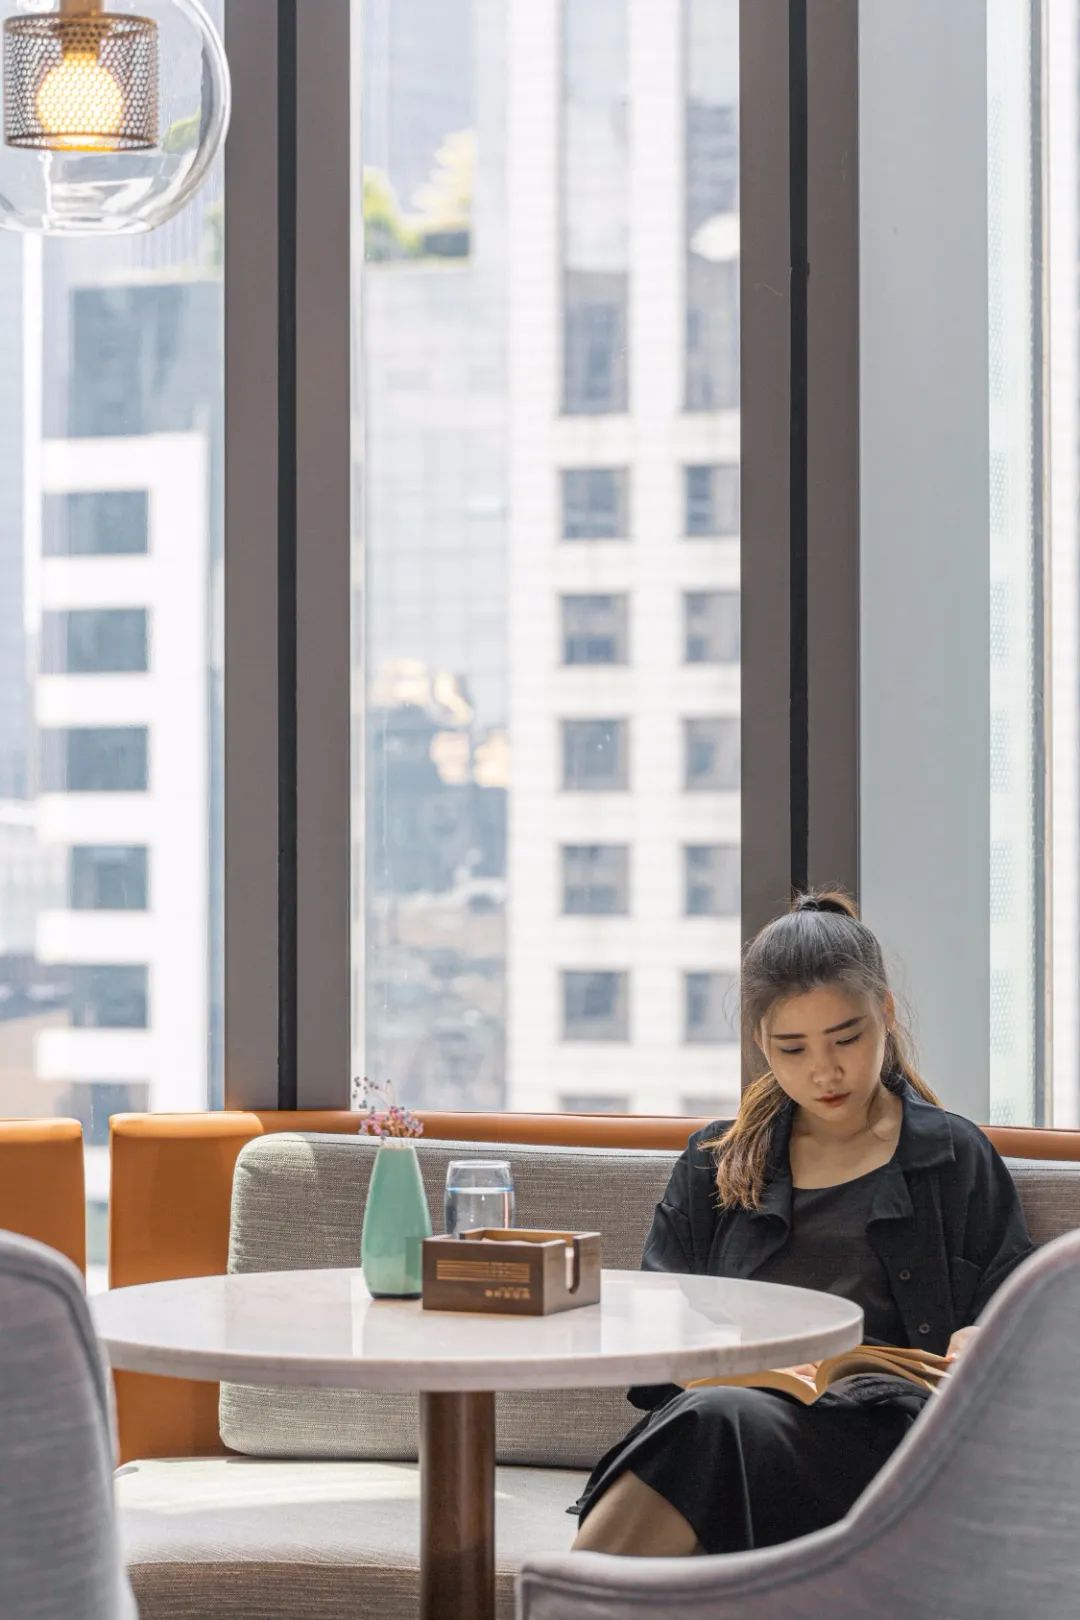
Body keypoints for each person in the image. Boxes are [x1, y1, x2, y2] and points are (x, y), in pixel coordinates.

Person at [572, 891, 1035, 1558]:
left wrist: (980, 1336)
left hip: (893, 1450)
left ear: (887, 1016)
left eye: (847, 1038)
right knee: (715, 1419)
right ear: (761, 1043)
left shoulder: (952, 1156)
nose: (824, 1070)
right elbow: (655, 1357)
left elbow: (1018, 1312)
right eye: (792, 1048)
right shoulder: (716, 1165)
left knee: (714, 1426)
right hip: (732, 1432)